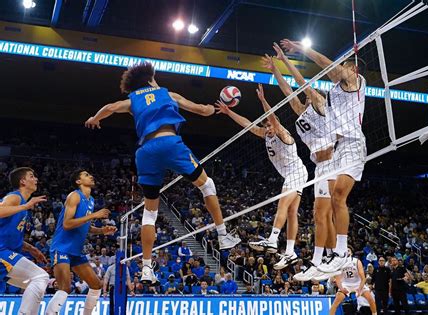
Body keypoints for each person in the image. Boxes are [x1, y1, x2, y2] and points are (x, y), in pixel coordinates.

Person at [85, 62, 240, 284]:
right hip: (170, 143)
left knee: (150, 213)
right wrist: (214, 108)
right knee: (208, 185)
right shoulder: (168, 93)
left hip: (146, 152)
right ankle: (223, 235)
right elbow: (201, 110)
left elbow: (109, 107)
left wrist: (95, 119)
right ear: (150, 79)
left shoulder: (132, 101)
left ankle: (147, 268)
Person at [281, 39, 367, 276]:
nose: (344, 69)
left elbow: (329, 68)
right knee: (324, 209)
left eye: (347, 66)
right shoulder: (334, 93)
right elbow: (298, 88)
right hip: (335, 150)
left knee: (338, 197)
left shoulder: (355, 83)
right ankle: (325, 259)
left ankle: (339, 253)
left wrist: (302, 50)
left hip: (352, 144)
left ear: (354, 70)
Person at [260, 46, 336, 280]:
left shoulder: (320, 104)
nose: (303, 93)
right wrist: (275, 71)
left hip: (336, 161)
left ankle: (336, 253)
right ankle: (329, 256)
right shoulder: (301, 111)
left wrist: (285, 60)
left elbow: (301, 83)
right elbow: (288, 92)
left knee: (329, 210)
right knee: (318, 214)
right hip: (319, 167)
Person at [215, 83, 308, 269]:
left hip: (296, 172)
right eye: (265, 126)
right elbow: (247, 124)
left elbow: (273, 117)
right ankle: (290, 251)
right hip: (293, 174)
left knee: (283, 203)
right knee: (291, 212)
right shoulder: (266, 134)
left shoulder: (282, 133)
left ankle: (273, 239)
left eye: (270, 125)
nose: (268, 128)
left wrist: (263, 100)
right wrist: (228, 112)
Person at [45, 170, 117, 315]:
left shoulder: (90, 200)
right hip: (62, 248)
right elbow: (67, 223)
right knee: (65, 287)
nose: (91, 176)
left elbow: (86, 226)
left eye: (90, 174)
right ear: (78, 181)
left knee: (96, 285)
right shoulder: (74, 196)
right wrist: (95, 215)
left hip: (76, 251)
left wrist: (102, 231)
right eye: (86, 175)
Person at [0, 167, 50, 314]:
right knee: (40, 277)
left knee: (33, 283)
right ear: (22, 181)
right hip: (2, 253)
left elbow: (10, 237)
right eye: (31, 176)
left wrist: (32, 250)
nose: (36, 179)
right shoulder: (14, 197)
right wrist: (26, 205)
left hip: (5, 252)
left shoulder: (21, 206)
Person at [329, 247, 377, 315]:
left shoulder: (357, 261)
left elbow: (363, 278)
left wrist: (360, 289)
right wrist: (342, 289)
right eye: (345, 250)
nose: (347, 251)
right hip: (346, 284)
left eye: (348, 250)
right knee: (336, 302)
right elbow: (338, 279)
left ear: (351, 253)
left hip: (358, 283)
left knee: (370, 299)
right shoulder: (339, 263)